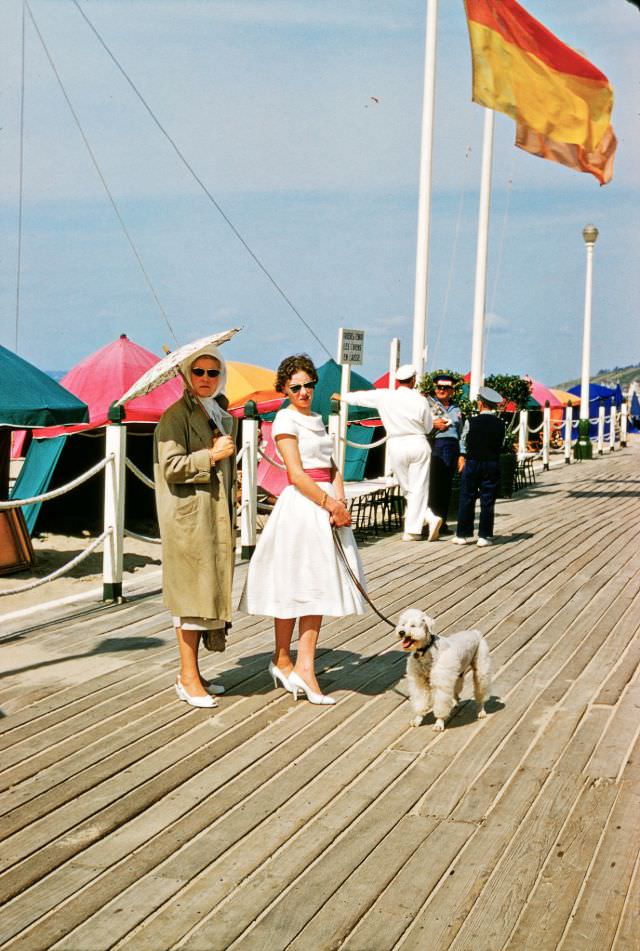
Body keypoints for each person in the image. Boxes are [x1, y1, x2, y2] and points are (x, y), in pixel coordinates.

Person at [240, 354, 367, 705]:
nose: (304, 392)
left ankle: (296, 663)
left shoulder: (316, 419)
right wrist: (329, 505)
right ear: (284, 389)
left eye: (308, 385)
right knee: (297, 582)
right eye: (295, 387)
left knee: (315, 584)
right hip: (304, 505)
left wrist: (340, 501)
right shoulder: (284, 418)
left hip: (327, 504)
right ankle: (291, 662)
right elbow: (295, 473)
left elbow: (332, 465)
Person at [154, 346, 237, 708]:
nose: (206, 379)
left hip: (214, 517)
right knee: (191, 598)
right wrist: (212, 455)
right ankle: (187, 678)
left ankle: (194, 673)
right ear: (188, 375)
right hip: (190, 519)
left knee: (208, 595)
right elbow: (171, 466)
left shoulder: (217, 414)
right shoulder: (174, 417)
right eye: (199, 372)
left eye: (212, 372)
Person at [333, 364, 448, 541]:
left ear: (397, 380)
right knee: (419, 487)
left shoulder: (385, 396)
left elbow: (361, 397)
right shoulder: (420, 400)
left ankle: (420, 524)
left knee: (407, 488)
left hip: (396, 443)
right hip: (417, 441)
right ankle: (418, 526)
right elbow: (427, 427)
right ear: (413, 380)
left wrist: (341, 397)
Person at [453, 385, 506, 548]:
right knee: (488, 499)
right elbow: (501, 444)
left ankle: (462, 534)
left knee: (467, 496)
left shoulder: (471, 421)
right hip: (491, 463)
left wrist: (462, 456)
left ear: (481, 404)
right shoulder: (500, 423)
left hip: (473, 462)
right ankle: (484, 536)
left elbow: (463, 441)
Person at [427, 374, 463, 536]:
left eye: (445, 388)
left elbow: (461, 432)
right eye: (439, 387)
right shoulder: (428, 405)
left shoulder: (456, 409)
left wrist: (462, 454)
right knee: (433, 485)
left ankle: (442, 522)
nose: (441, 390)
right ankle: (428, 522)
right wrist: (433, 425)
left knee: (446, 486)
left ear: (451, 390)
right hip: (435, 445)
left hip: (452, 447)